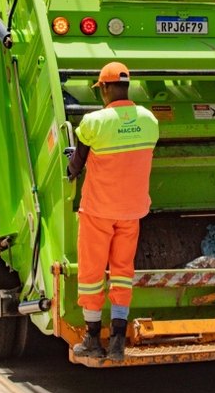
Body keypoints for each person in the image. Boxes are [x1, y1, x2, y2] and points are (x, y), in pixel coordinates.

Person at [66, 62, 159, 361]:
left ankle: (93, 339)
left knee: (92, 274)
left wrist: (69, 172)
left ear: (104, 88)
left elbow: (77, 161)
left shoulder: (95, 122)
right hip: (131, 212)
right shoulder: (149, 120)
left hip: (98, 212)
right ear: (127, 87)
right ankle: (118, 341)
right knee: (122, 273)